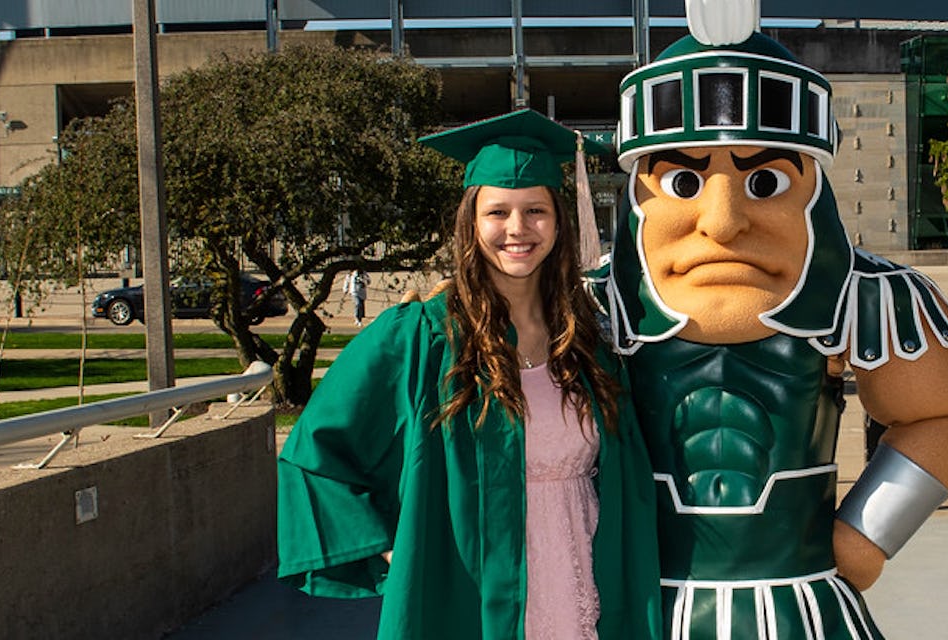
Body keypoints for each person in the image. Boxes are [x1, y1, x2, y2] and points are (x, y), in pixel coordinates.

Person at [592, 7, 948, 637]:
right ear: (640, 192)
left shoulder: (873, 296)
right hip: (642, 599)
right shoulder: (590, 304)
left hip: (804, 606)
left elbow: (942, 412)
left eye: (765, 179)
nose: (723, 222)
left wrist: (867, 534)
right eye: (686, 180)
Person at [276, 110, 661, 639]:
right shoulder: (422, 336)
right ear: (471, 223)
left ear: (560, 220)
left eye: (536, 210)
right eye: (497, 211)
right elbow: (314, 453)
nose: (517, 229)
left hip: (581, 583)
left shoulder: (587, 340)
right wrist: (399, 548)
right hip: (474, 596)